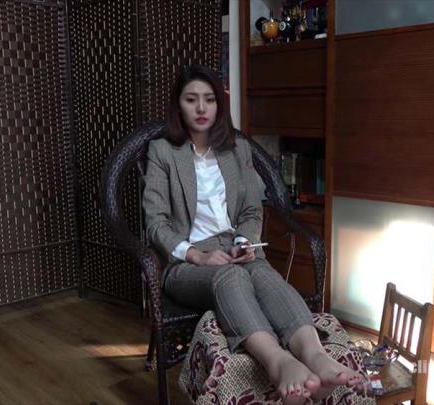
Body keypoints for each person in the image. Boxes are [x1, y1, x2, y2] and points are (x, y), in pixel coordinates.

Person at [142, 64, 361, 404]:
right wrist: (198, 256)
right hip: (186, 263)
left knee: (262, 272)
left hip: (233, 251)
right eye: (191, 99)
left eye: (210, 99)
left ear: (220, 104)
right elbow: (156, 223)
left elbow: (250, 211)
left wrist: (243, 243)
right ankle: (279, 363)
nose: (201, 108)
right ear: (178, 105)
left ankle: (315, 356)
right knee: (230, 276)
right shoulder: (162, 152)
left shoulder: (237, 149)